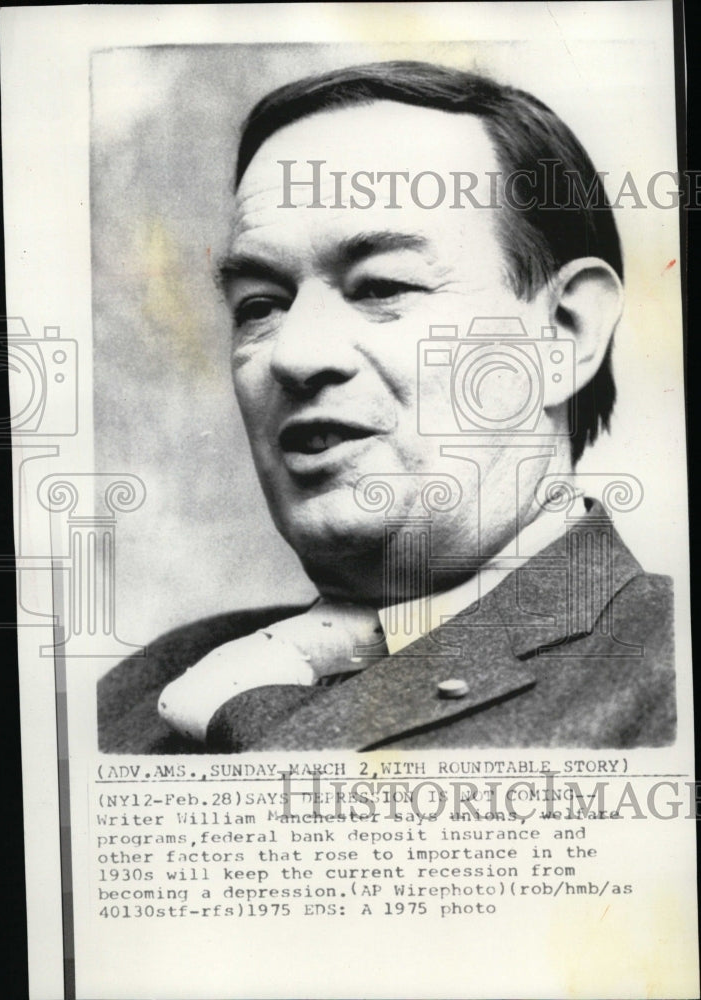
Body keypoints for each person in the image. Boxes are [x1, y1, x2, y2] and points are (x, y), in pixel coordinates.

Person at [98, 61, 675, 753]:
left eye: (380, 287)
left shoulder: (667, 676)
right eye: (259, 304)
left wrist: (253, 712)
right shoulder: (143, 686)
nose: (294, 355)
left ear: (564, 334)